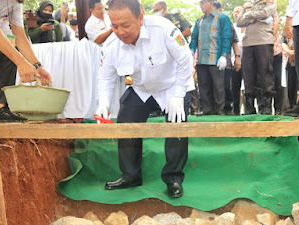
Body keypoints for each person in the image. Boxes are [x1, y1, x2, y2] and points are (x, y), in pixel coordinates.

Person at [96, 0, 194, 198]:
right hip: (141, 89)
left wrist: (178, 95)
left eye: (125, 25)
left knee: (176, 127)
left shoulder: (163, 29)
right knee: (126, 122)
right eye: (114, 26)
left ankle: (173, 177)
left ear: (140, 18)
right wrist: (103, 104)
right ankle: (130, 174)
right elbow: (106, 78)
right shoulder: (112, 45)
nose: (121, 32)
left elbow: (185, 60)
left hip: (172, 85)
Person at [189, 0, 232, 115]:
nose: (201, 6)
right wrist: (191, 52)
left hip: (216, 58)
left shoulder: (222, 18)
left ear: (210, 3)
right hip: (202, 58)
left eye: (203, 3)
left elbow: (227, 38)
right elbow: (194, 38)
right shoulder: (199, 20)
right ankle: (206, 110)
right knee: (203, 85)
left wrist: (224, 56)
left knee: (218, 86)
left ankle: (219, 110)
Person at [237, 0, 277, 115]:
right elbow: (239, 21)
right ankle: (249, 106)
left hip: (264, 41)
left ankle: (266, 106)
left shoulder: (269, 2)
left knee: (265, 74)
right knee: (248, 75)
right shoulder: (246, 4)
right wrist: (256, 17)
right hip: (248, 43)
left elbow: (265, 13)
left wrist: (248, 16)